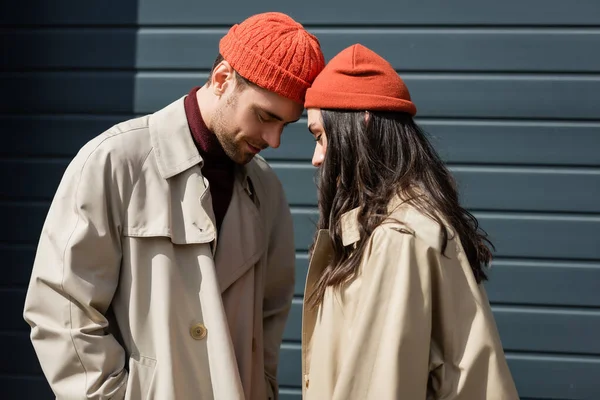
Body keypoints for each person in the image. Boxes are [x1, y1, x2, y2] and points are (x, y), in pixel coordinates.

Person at [23, 12, 324, 400]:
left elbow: (269, 318)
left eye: (285, 125)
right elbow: (61, 309)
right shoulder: (115, 162)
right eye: (265, 116)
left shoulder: (265, 188)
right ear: (222, 79)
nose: (274, 139)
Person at [301, 44, 519, 399]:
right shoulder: (398, 225)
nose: (316, 158)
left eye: (320, 136)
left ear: (363, 122)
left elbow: (381, 386)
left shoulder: (397, 239)